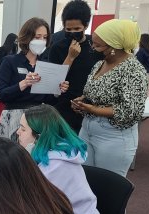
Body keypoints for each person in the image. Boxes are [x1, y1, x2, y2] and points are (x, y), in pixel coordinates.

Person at [16, 104, 102, 214]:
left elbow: (30, 208)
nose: (17, 132)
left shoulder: (57, 166)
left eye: (22, 129)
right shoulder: (44, 155)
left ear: (39, 136)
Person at [71, 19, 147, 177]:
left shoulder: (133, 69)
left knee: (108, 188)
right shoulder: (99, 64)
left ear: (114, 46)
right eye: (93, 43)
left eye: (98, 45)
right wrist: (83, 101)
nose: (93, 48)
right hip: (87, 129)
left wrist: (95, 110)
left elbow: (131, 111)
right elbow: (93, 91)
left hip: (114, 135)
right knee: (84, 181)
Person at [0, 17, 69, 141]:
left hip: (37, 118)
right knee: (12, 156)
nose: (42, 41)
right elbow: (2, 94)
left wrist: (57, 91)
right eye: (37, 37)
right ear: (27, 37)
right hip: (14, 116)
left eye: (45, 37)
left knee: (34, 156)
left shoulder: (45, 65)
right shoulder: (10, 61)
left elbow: (47, 99)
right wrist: (23, 83)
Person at [48, 0, 104, 134]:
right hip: (64, 107)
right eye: (68, 29)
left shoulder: (95, 46)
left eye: (77, 29)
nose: (72, 32)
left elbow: (102, 75)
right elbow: (54, 81)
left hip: (91, 106)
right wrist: (70, 57)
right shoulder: (57, 47)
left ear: (86, 26)